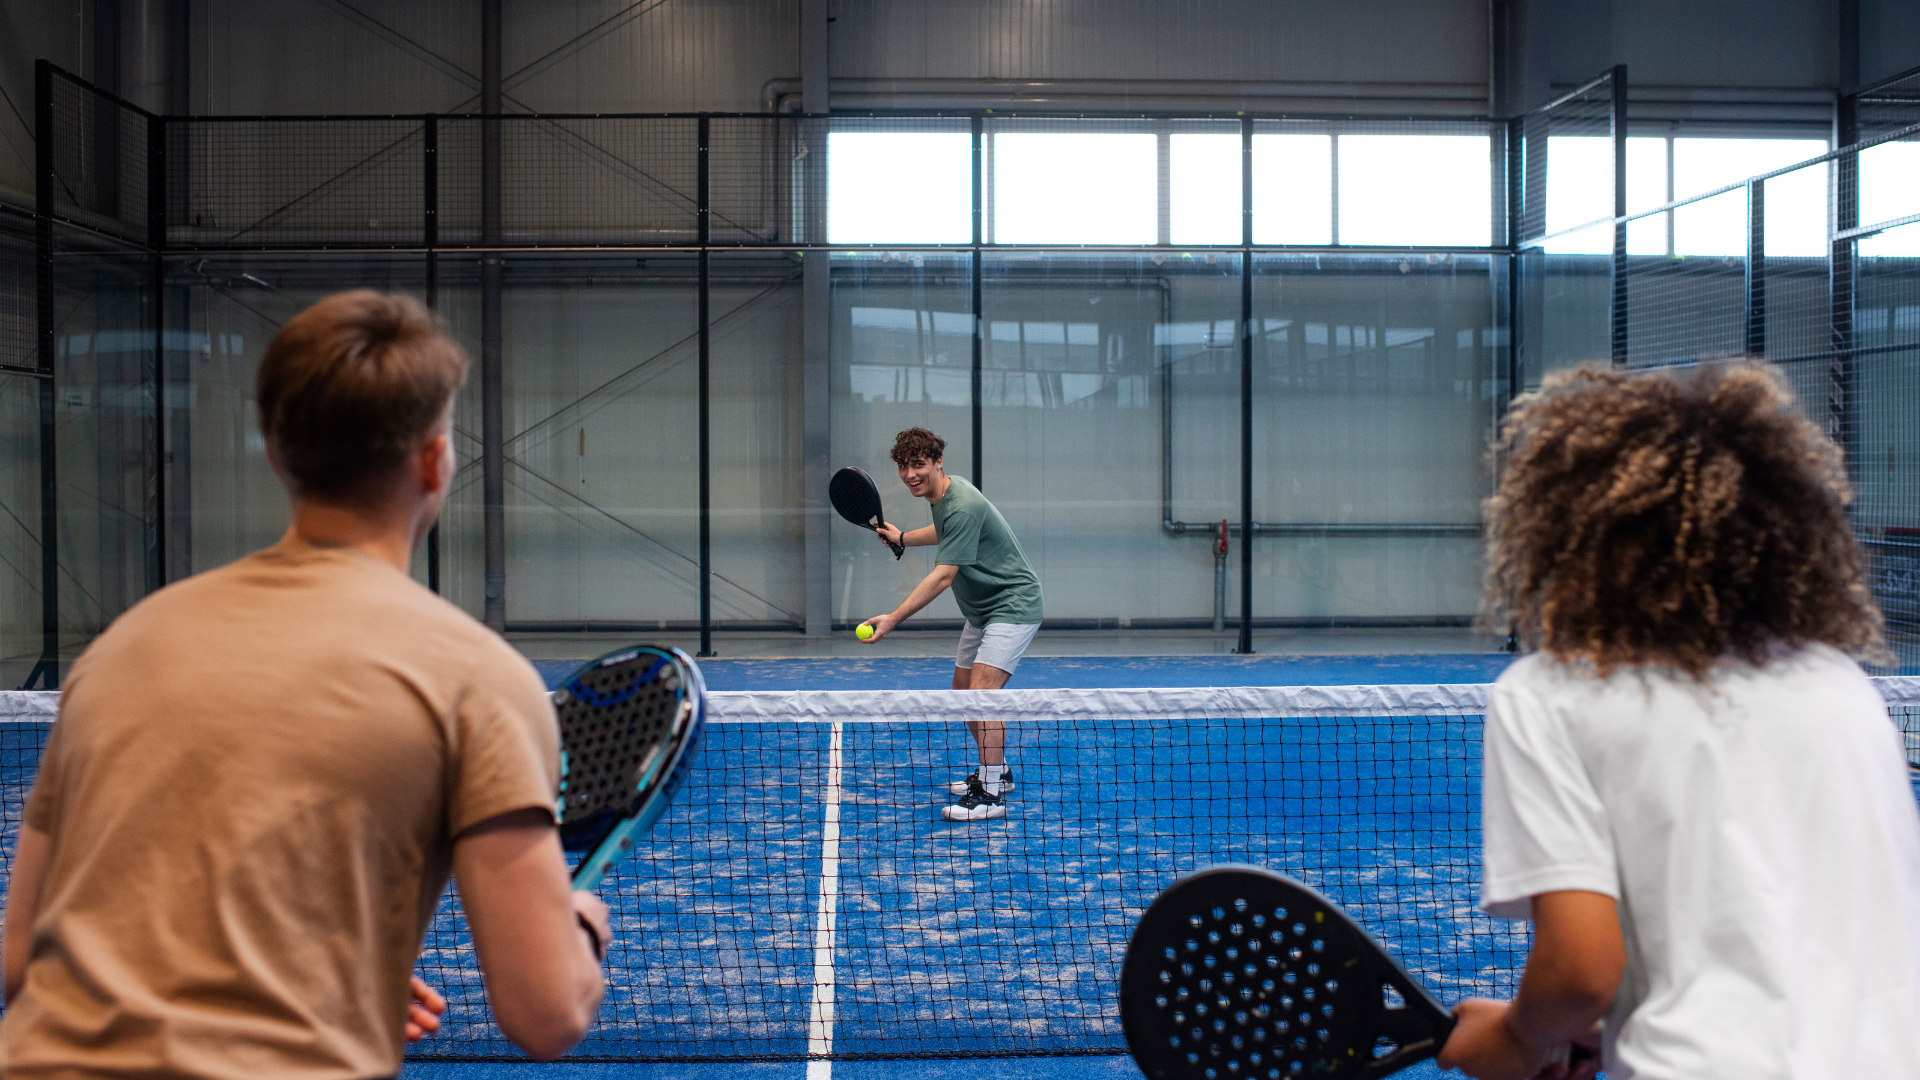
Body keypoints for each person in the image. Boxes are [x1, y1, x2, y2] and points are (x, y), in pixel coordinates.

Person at [0, 291, 609, 1078]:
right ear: (433, 460)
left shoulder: (121, 649)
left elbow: (22, 960)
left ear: (278, 454)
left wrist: (316, 974)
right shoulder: (478, 679)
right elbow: (546, 1011)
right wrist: (582, 929)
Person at [1437, 362, 1920, 1080]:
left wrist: (1515, 1039)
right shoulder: (1842, 688)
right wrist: (1619, 1020)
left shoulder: (1551, 695)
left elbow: (1578, 972)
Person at [858, 427, 1044, 822]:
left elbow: (943, 576)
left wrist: (893, 618)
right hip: (982, 610)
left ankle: (991, 794)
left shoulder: (960, 503)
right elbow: (946, 533)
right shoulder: (944, 494)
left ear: (938, 462)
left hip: (1012, 604)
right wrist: (904, 538)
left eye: (919, 465)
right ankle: (1000, 771)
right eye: (904, 466)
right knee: (963, 693)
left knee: (982, 693)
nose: (910, 474)